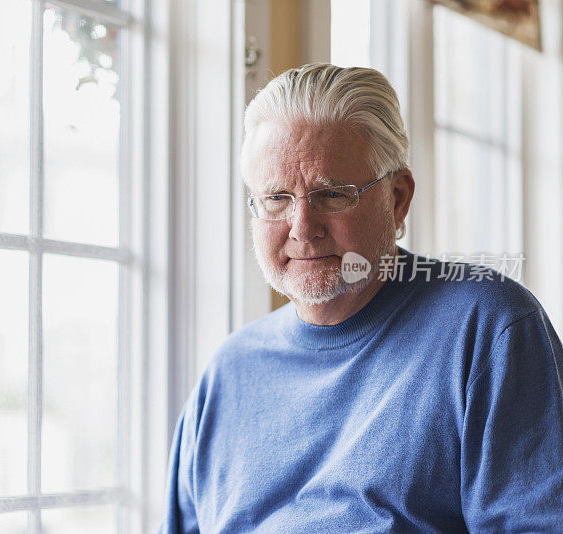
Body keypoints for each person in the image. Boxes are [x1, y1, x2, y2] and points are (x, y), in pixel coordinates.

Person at [158, 63, 563, 532]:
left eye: (331, 195)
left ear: (397, 198)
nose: (302, 228)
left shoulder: (488, 329)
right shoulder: (228, 372)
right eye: (276, 198)